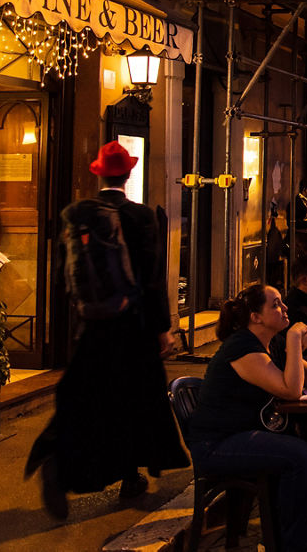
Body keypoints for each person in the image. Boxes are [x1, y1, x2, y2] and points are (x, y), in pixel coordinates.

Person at [26, 141, 188, 518]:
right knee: (134, 399)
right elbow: (151, 278)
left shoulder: (76, 214)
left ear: (97, 173)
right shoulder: (142, 217)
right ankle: (131, 475)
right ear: (128, 174)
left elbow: (64, 274)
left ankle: (59, 463)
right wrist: (162, 328)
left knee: (85, 398)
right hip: (134, 327)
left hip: (94, 326)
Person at [188, 285, 307, 552]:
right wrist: (295, 341)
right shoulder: (243, 348)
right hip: (217, 444)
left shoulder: (270, 344)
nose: (285, 308)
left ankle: (297, 530)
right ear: (256, 316)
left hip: (246, 433)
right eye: (276, 304)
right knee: (299, 455)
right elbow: (291, 390)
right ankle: (292, 545)